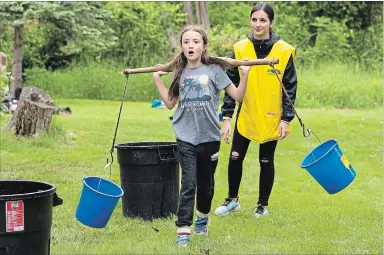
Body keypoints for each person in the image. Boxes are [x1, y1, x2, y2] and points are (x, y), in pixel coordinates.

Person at [152, 25, 250, 247]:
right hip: (185, 134)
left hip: (209, 136)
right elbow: (169, 104)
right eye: (186, 42)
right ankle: (183, 230)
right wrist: (158, 78)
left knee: (206, 184)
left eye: (195, 41)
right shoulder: (179, 71)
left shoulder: (214, 70)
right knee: (188, 183)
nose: (190, 46)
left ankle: (202, 218)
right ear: (182, 46)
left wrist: (244, 75)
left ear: (204, 46)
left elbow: (237, 95)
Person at [214, 2, 298, 218]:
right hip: (247, 113)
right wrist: (226, 118)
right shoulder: (240, 49)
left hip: (272, 115)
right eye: (254, 19)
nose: (258, 24)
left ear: (271, 22)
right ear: (250, 21)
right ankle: (232, 200)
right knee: (235, 157)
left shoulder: (284, 50)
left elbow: (289, 87)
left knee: (266, 161)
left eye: (263, 20)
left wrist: (286, 119)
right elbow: (230, 86)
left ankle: (262, 205)